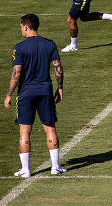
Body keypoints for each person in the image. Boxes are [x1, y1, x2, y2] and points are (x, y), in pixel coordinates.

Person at [4, 14, 67, 177]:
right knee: (50, 128)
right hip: (45, 91)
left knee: (24, 132)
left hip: (26, 93)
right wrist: (60, 88)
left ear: (25, 26)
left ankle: (25, 170)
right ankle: (56, 166)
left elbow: (16, 73)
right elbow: (58, 68)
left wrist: (9, 94)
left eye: (21, 27)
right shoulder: (50, 44)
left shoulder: (20, 47)